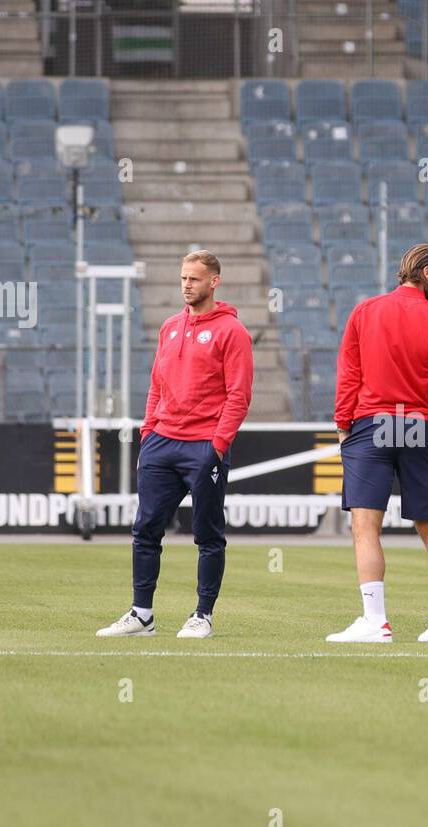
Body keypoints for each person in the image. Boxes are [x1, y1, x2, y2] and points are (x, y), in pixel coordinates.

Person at [96, 250, 254, 639]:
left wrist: (217, 445)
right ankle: (141, 614)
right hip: (161, 443)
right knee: (145, 529)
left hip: (203, 446)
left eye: (195, 279)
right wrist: (148, 432)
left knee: (207, 534)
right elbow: (156, 384)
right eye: (183, 278)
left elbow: (239, 395)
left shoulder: (232, 332)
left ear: (214, 282)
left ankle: (202, 615)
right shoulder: (169, 327)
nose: (187, 285)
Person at [325, 243, 428, 644]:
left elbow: (349, 371)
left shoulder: (366, 311)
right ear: (426, 272)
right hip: (419, 425)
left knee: (366, 528)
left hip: (371, 424)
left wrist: (342, 422)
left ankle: (375, 622)